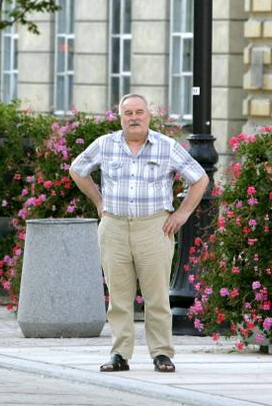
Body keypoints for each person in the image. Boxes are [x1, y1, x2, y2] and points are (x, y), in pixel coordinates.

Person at [69, 93, 208, 374]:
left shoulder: (166, 147)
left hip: (153, 227)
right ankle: (119, 354)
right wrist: (98, 201)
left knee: (157, 297)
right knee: (119, 297)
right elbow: (77, 169)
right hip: (115, 227)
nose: (134, 118)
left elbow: (200, 178)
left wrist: (182, 214)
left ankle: (161, 354)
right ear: (120, 117)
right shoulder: (105, 145)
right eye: (128, 113)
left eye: (139, 112)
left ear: (148, 116)